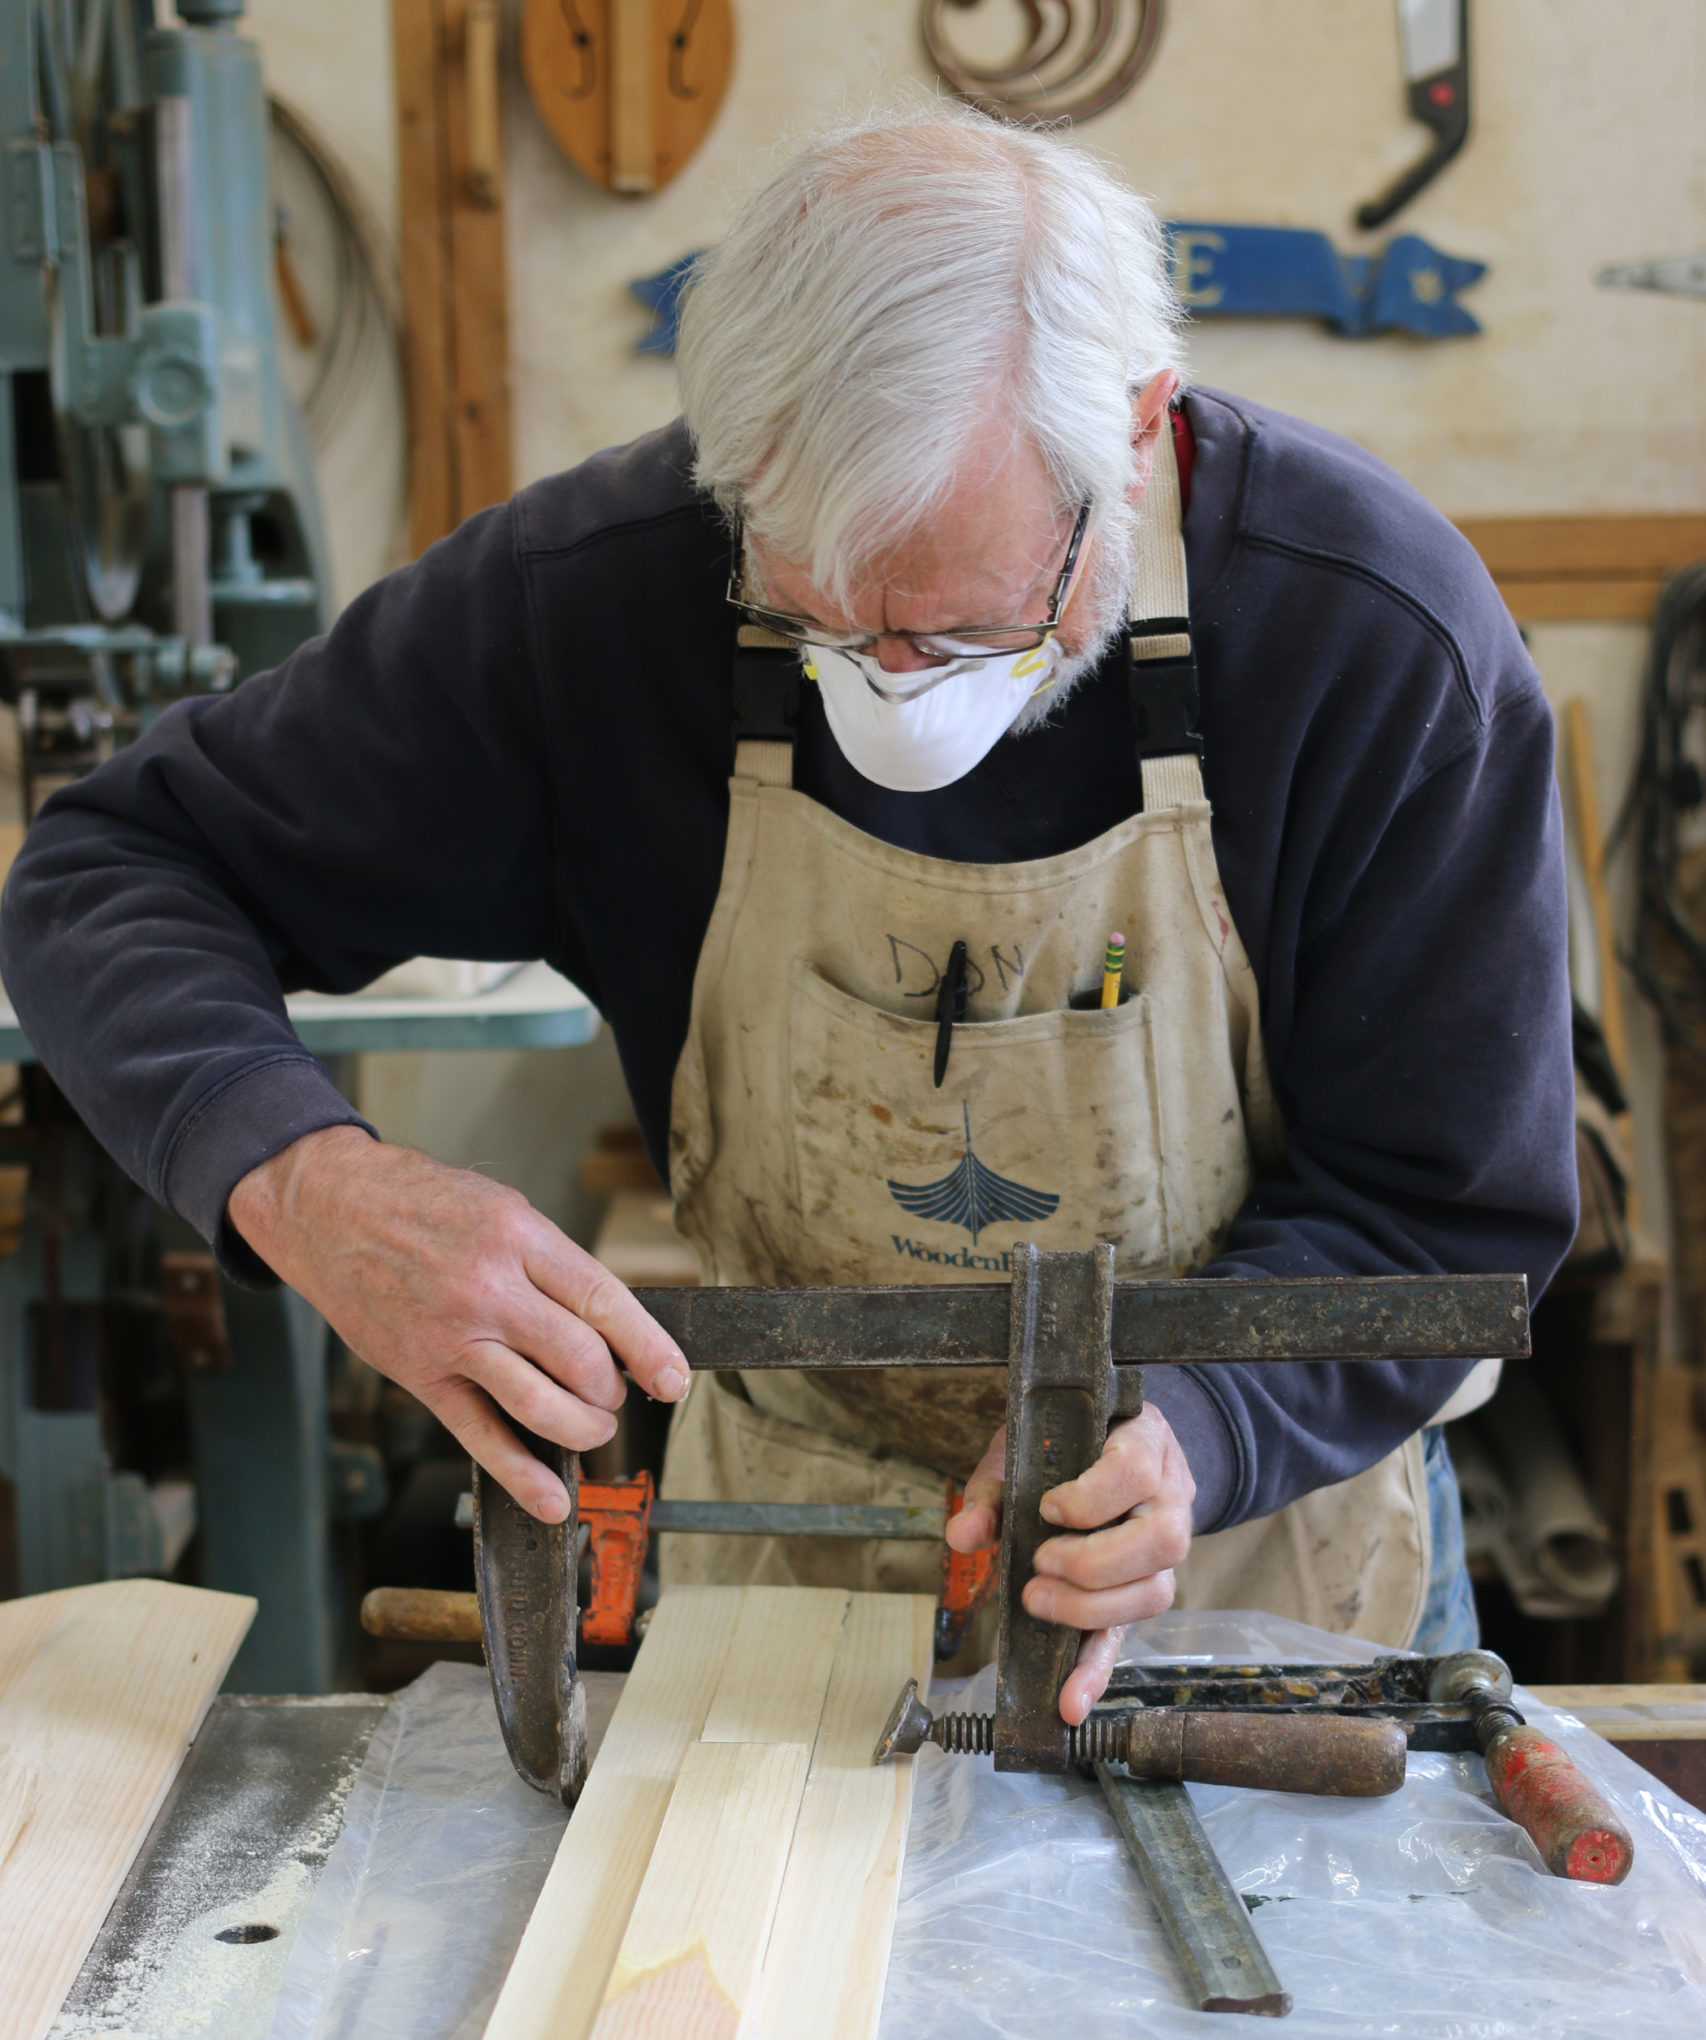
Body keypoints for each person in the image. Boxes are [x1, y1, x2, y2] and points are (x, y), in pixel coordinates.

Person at [0, 106, 1576, 1721]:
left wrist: (1207, 1430)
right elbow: (113, 868)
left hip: (1247, 1562)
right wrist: (301, 1181)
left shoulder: (1374, 641)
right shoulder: (598, 599)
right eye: (815, 622)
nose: (891, 695)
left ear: (1129, 431)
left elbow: (1442, 1217)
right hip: (795, 1539)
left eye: (961, 630)